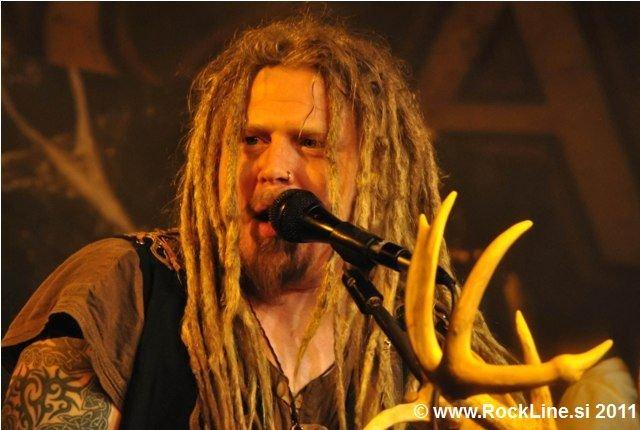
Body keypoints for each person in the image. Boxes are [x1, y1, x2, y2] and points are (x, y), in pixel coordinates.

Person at [2, 16, 513, 429]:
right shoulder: (125, 286)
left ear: (373, 172)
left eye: (310, 143)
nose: (273, 168)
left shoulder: (414, 340)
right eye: (252, 140)